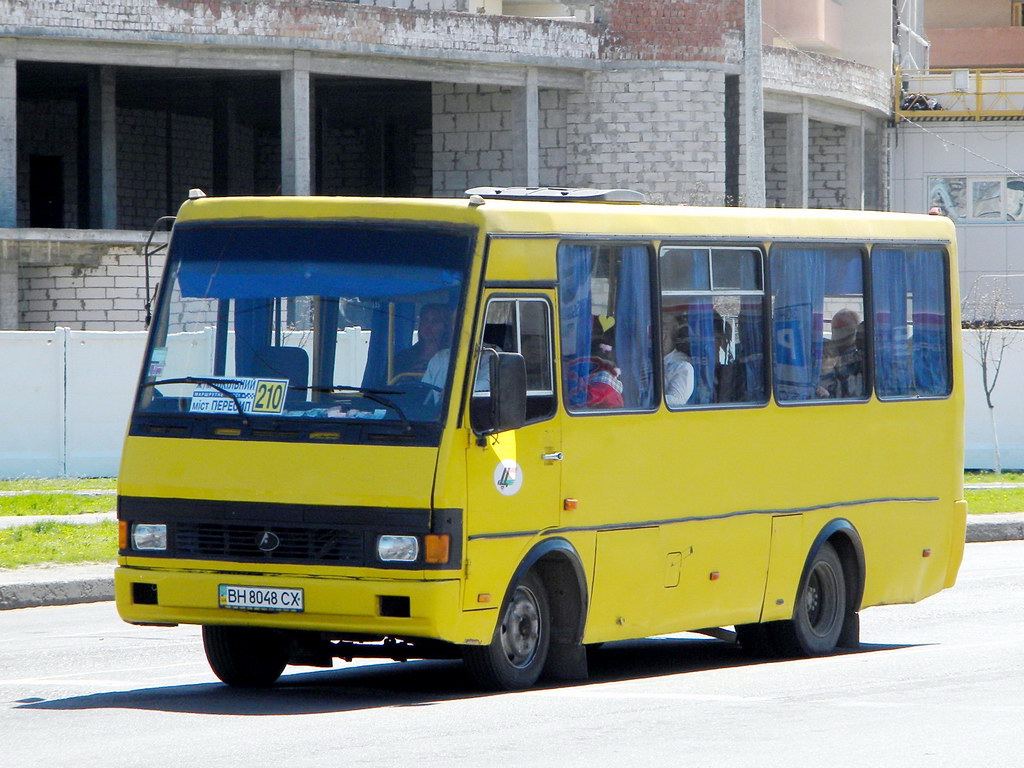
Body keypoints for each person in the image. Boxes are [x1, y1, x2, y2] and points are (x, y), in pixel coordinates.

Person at [393, 303, 451, 378]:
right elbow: (387, 385)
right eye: (425, 320)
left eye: (435, 321)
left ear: (445, 327)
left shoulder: (450, 357)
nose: (428, 326)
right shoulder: (403, 358)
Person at [820, 308, 864, 398]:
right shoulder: (824, 351)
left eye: (846, 331)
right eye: (837, 330)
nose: (840, 335)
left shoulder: (861, 360)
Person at [664, 322, 695, 407]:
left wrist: (652, 401)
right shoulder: (646, 361)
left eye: (665, 332)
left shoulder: (682, 365)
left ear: (673, 338)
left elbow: (677, 401)